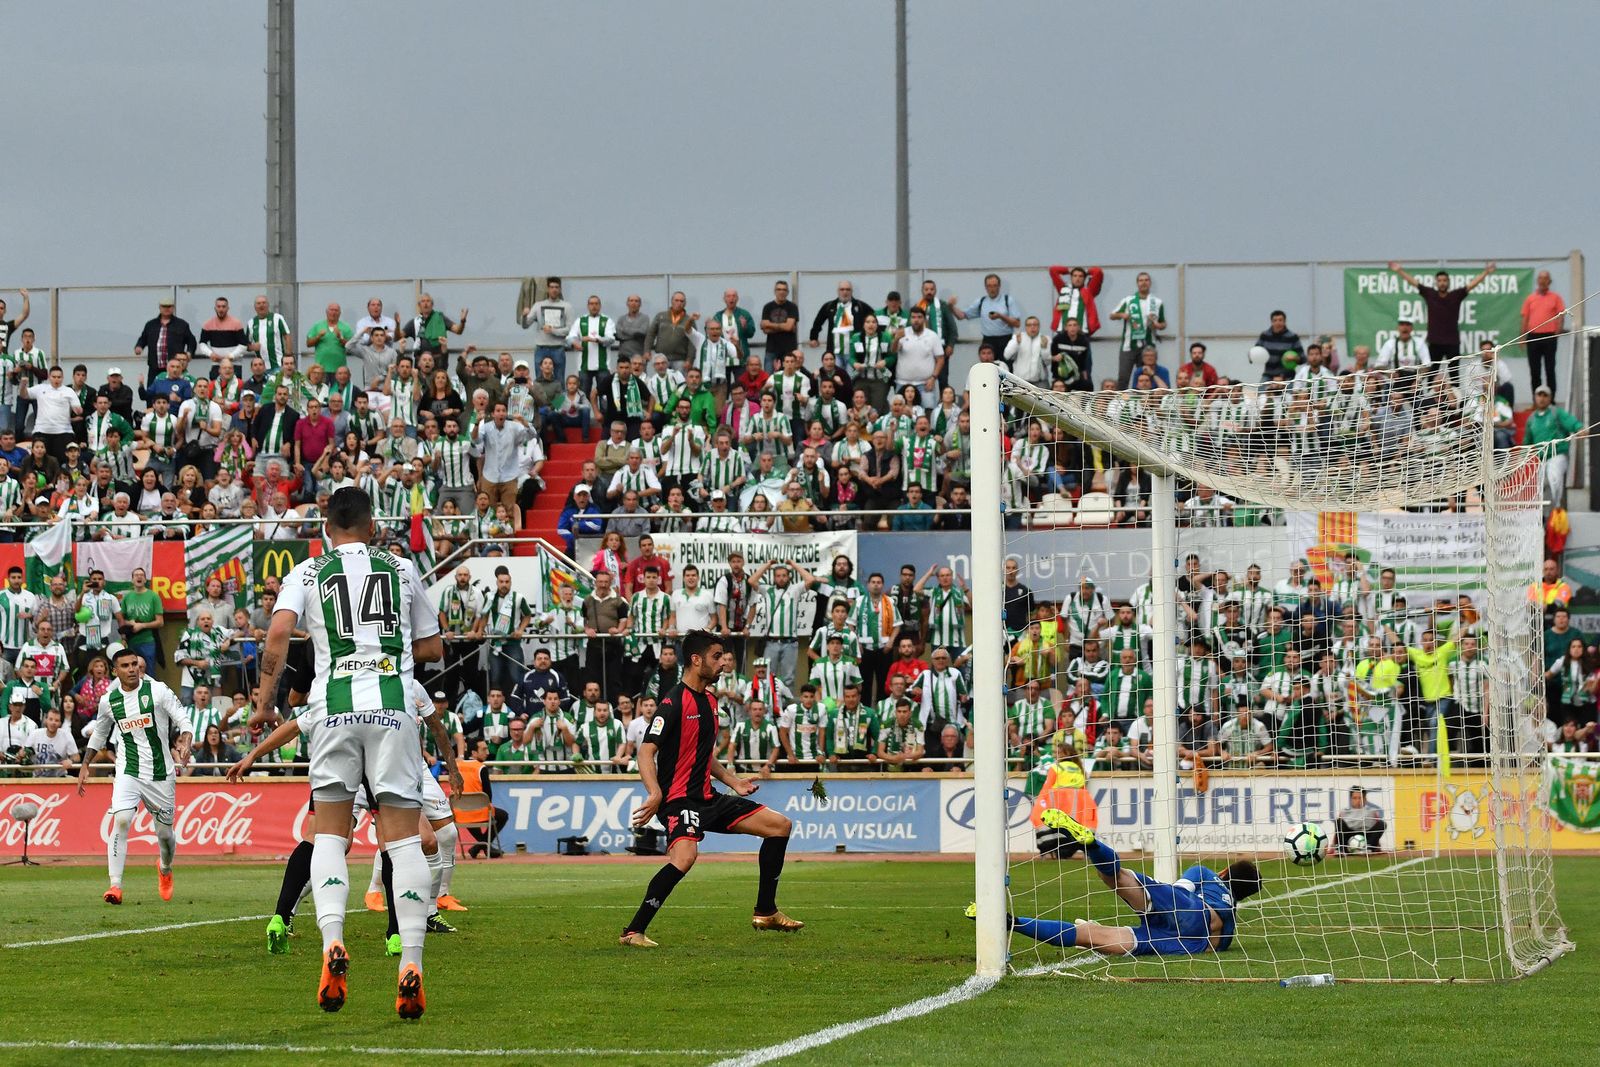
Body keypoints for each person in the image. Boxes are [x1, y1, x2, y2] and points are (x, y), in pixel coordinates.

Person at [249, 486, 444, 1018]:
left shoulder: (307, 572)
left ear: (325, 526)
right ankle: (412, 964)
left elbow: (278, 635)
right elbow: (433, 647)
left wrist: (265, 704)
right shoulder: (401, 569)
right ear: (373, 524)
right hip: (392, 706)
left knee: (329, 834)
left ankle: (332, 941)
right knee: (403, 842)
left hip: (331, 709)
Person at [620, 629, 802, 947]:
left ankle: (766, 911)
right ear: (696, 659)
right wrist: (655, 793)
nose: (723, 664)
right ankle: (633, 931)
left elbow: (704, 754)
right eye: (716, 657)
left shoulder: (710, 701)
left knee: (779, 826)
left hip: (708, 798)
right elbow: (645, 751)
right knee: (686, 856)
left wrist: (733, 781)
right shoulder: (672, 703)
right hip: (678, 800)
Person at [993, 808, 1261, 956]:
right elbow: (1216, 943)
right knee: (1096, 937)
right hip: (1190, 942)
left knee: (1117, 878)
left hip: (1190, 911)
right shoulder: (1231, 925)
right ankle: (1012, 923)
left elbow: (1179, 891)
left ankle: (1091, 844)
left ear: (1224, 872)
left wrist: (1151, 898)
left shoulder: (1207, 875)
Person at [78, 646, 194, 905]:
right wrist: (85, 765)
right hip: (128, 770)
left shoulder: (158, 691)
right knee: (121, 820)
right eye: (126, 666)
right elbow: (99, 733)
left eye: (135, 665)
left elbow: (184, 720)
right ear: (114, 670)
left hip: (161, 773)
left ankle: (164, 868)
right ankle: (115, 886)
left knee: (165, 836)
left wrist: (185, 742)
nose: (132, 669)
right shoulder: (109, 700)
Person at [1387, 261, 1495, 365]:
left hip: (1452, 341)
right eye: (1440, 280)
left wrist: (1486, 272)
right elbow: (1415, 283)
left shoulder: (1455, 295)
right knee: (1432, 374)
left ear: (1448, 282)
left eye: (1444, 280)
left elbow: (1471, 285)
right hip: (1434, 341)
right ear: (1436, 282)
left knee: (1454, 375)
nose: (1442, 283)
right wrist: (1399, 271)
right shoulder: (1430, 294)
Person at [1520, 270, 1567, 398]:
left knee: (1549, 370)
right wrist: (1523, 337)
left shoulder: (1556, 297)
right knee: (1535, 371)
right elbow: (1525, 318)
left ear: (1549, 281)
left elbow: (1561, 315)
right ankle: (1536, 400)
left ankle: (1551, 400)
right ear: (1537, 281)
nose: (1542, 281)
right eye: (1540, 278)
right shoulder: (1530, 298)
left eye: (1545, 278)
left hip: (1549, 337)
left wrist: (1557, 333)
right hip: (1533, 337)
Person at [1334, 785, 1386, 854]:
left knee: (1382, 824)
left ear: (1365, 799)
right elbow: (1337, 832)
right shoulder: (1344, 812)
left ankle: (1368, 848)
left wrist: (1378, 845)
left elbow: (1376, 830)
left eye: (1360, 798)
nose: (1357, 800)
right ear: (1351, 799)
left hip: (1366, 835)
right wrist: (1333, 844)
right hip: (1350, 836)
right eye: (1355, 798)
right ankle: (1340, 849)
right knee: (1338, 822)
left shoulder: (1372, 812)